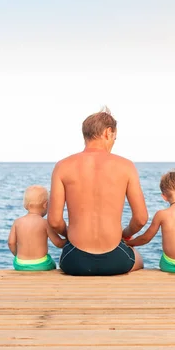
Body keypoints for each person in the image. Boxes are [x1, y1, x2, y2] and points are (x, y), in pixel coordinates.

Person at [48, 107, 148, 275]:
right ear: (108, 132)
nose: (114, 142)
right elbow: (141, 219)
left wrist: (69, 235)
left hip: (74, 261)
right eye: (115, 137)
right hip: (116, 260)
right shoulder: (126, 166)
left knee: (69, 255)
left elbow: (54, 221)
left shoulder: (62, 166)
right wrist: (125, 235)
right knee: (138, 259)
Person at [8, 185, 66, 271]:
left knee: (20, 260)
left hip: (20, 264)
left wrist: (17, 256)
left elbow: (11, 243)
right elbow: (58, 243)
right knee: (52, 264)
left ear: (25, 205)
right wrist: (71, 239)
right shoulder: (45, 223)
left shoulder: (17, 222)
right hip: (41, 264)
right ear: (46, 205)